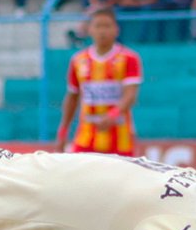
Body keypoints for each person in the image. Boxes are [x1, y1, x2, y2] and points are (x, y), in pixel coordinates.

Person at [55, 8, 142, 155]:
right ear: (90, 30)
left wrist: (112, 115)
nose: (102, 31)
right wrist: (63, 132)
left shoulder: (129, 58)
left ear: (116, 30)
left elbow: (130, 95)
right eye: (98, 26)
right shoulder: (78, 60)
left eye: (107, 26)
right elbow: (72, 98)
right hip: (86, 137)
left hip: (120, 137)